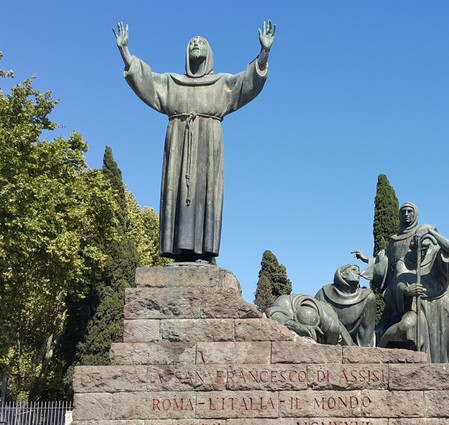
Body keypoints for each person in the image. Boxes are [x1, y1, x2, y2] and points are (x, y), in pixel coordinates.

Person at [113, 21, 275, 262]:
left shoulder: (222, 83)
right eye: (191, 43)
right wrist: (125, 52)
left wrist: (264, 53)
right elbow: (147, 81)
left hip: (209, 146)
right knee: (176, 193)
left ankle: (204, 252)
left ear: (209, 53)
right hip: (178, 144)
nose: (195, 45)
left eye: (200, 43)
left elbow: (248, 83)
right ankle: (178, 252)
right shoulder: (171, 82)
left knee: (206, 195)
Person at [352, 202, 435, 335]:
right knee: (390, 317)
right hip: (395, 281)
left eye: (409, 211)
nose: (406, 215)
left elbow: (432, 250)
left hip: (413, 276)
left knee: (411, 316)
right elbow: (386, 259)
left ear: (416, 214)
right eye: (403, 212)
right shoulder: (394, 238)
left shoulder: (421, 231)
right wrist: (366, 259)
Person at [379, 226, 449, 363]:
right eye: (418, 249)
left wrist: (431, 232)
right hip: (419, 305)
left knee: (447, 350)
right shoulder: (404, 261)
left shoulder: (436, 256)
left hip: (439, 305)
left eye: (425, 248)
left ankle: (441, 376)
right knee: (420, 341)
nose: (421, 252)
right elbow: (397, 283)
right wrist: (406, 290)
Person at [315, 264, 376, 347]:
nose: (358, 273)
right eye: (353, 270)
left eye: (358, 270)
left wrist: (365, 355)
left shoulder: (368, 297)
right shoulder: (324, 293)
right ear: (342, 274)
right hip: (328, 341)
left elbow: (366, 330)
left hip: (354, 347)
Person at [265, 294, 355, 346]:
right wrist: (296, 326)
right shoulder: (285, 301)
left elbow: (348, 343)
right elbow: (274, 314)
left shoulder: (329, 318)